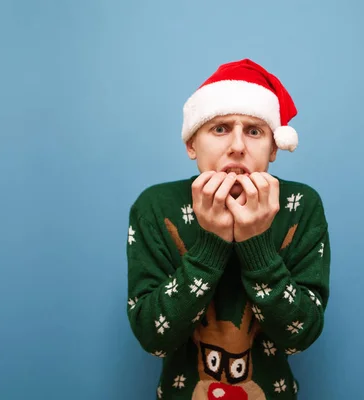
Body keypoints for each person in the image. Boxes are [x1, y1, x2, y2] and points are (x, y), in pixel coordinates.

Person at [126, 59, 331, 399]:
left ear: (274, 148)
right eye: (220, 129)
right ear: (192, 144)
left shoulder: (300, 204)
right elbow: (153, 338)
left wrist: (256, 245)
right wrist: (211, 244)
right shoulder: (155, 206)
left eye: (254, 131)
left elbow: (301, 336)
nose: (238, 146)